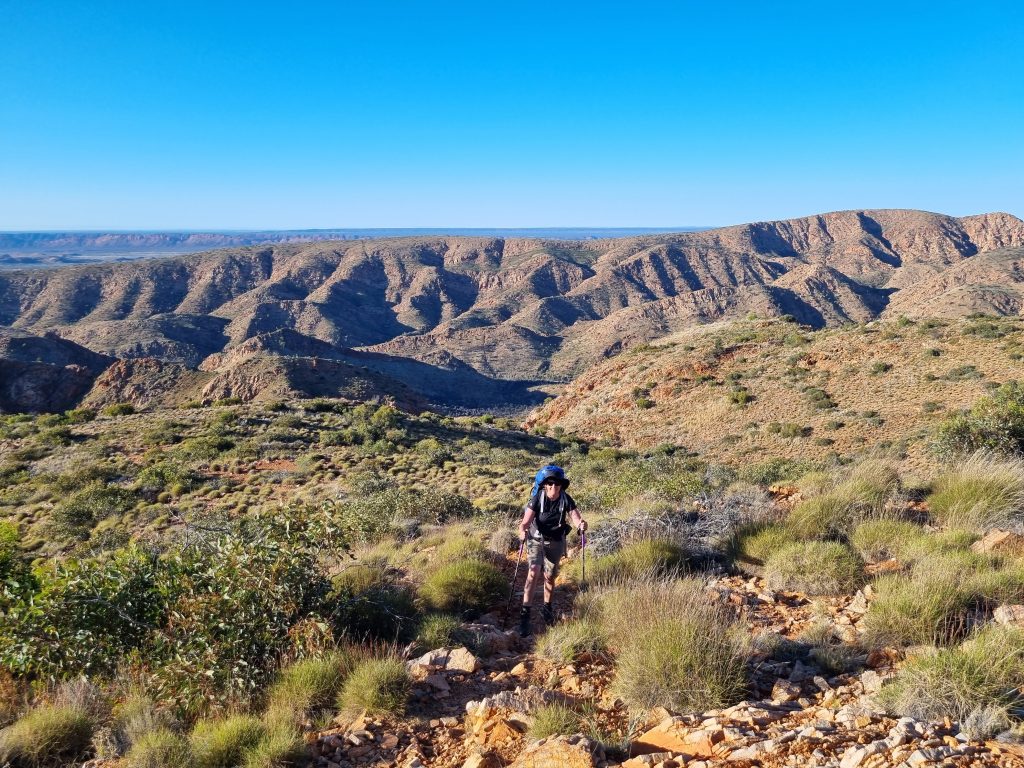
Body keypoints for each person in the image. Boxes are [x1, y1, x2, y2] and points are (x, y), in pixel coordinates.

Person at [516, 465, 587, 637]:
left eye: (557, 484)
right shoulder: (537, 499)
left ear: (561, 486)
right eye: (550, 483)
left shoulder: (566, 499)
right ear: (545, 485)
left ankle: (547, 608)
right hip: (535, 539)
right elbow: (525, 522)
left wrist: (581, 525)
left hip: (555, 541)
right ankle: (525, 614)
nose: (554, 487)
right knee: (533, 572)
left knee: (550, 575)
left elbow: (576, 517)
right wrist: (522, 530)